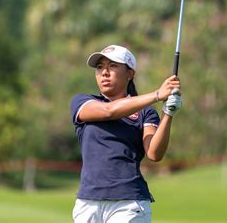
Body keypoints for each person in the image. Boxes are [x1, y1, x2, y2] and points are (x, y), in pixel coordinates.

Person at [70, 44, 182, 223]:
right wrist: (156, 95)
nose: (105, 72)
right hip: (87, 203)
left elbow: (154, 153)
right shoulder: (83, 102)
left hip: (128, 203)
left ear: (130, 74)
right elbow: (109, 111)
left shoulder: (146, 112)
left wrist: (168, 113)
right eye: (100, 67)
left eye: (113, 66)